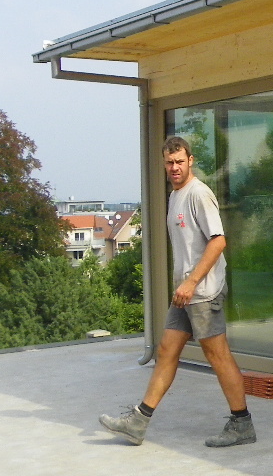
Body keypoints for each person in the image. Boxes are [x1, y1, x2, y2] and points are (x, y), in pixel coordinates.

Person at [99, 136, 254, 447]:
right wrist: (184, 285)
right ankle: (138, 422)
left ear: (190, 161)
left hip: (203, 291)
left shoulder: (199, 194)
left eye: (180, 161)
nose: (175, 167)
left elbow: (218, 241)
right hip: (184, 294)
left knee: (218, 356)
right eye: (169, 162)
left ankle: (242, 425)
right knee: (166, 351)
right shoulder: (175, 195)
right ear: (163, 163)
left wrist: (191, 282)